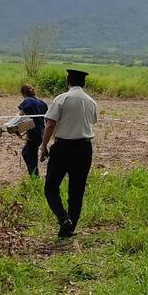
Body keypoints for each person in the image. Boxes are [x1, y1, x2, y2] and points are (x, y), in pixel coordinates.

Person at [40, 68, 98, 239]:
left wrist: (43, 146)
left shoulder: (62, 98)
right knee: (77, 190)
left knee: (51, 187)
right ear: (84, 83)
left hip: (63, 147)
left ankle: (64, 219)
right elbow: (92, 121)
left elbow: (50, 124)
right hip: (84, 149)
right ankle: (70, 228)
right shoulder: (91, 102)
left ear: (68, 81)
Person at [17, 84, 48, 177]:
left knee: (31, 157)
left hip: (33, 134)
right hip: (41, 133)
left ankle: (35, 177)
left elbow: (21, 116)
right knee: (25, 152)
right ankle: (33, 175)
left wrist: (16, 129)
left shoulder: (27, 101)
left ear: (23, 94)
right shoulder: (42, 103)